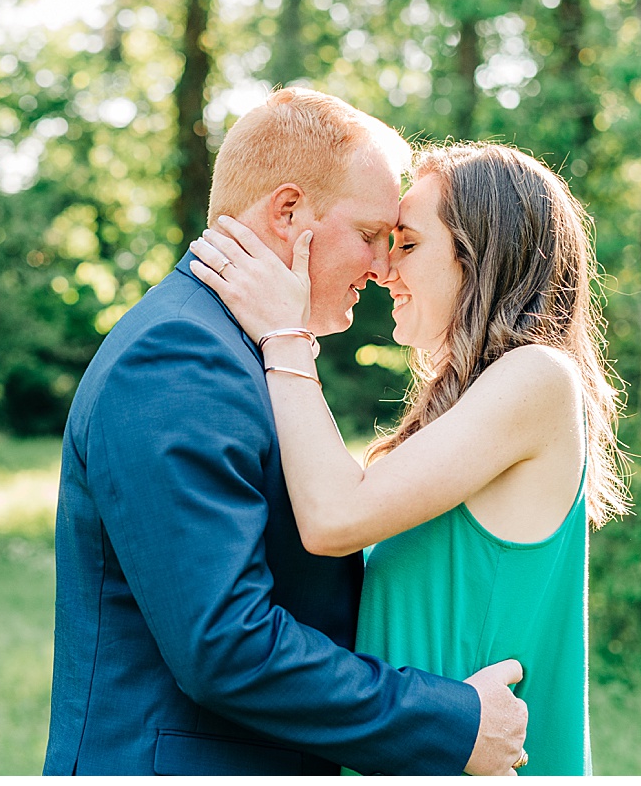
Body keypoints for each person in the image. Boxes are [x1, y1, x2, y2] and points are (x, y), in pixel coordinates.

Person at [44, 89, 528, 777]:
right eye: (368, 236)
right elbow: (225, 646)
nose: (381, 267)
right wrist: (449, 722)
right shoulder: (181, 355)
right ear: (288, 211)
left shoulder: (248, 349)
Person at [190, 141, 632, 776]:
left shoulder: (537, 378)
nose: (383, 269)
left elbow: (334, 517)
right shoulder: (467, 409)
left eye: (408, 244)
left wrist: (286, 336)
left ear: (481, 255)